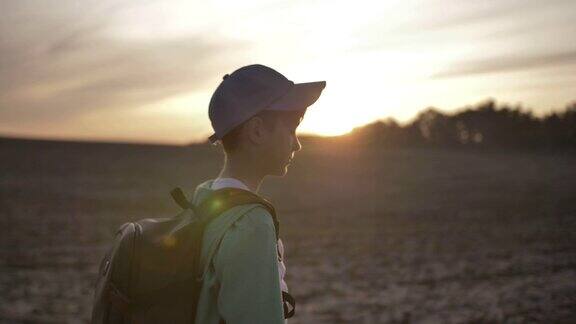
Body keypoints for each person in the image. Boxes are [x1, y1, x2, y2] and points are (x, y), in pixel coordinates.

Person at [191, 64, 326, 324]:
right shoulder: (251, 224)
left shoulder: (205, 198)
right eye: (291, 129)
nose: (297, 144)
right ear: (256, 131)